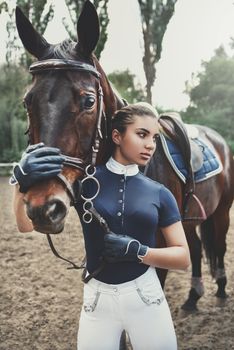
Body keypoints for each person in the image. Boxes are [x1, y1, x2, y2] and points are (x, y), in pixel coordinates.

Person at [12, 103, 190, 350]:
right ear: (117, 136)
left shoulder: (161, 194)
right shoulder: (84, 181)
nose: (150, 144)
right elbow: (24, 226)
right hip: (97, 303)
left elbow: (183, 258)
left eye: (154, 138)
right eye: (142, 134)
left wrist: (139, 252)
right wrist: (20, 183)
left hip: (146, 298)